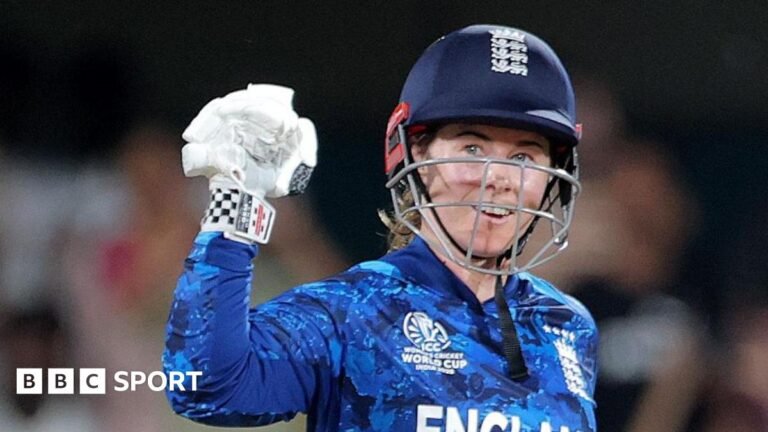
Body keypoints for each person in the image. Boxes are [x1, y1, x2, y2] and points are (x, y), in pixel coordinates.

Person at [164, 24, 597, 432]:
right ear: (415, 154)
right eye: (472, 147)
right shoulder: (351, 314)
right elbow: (205, 387)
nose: (500, 178)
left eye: (524, 157)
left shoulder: (566, 327)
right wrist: (235, 204)